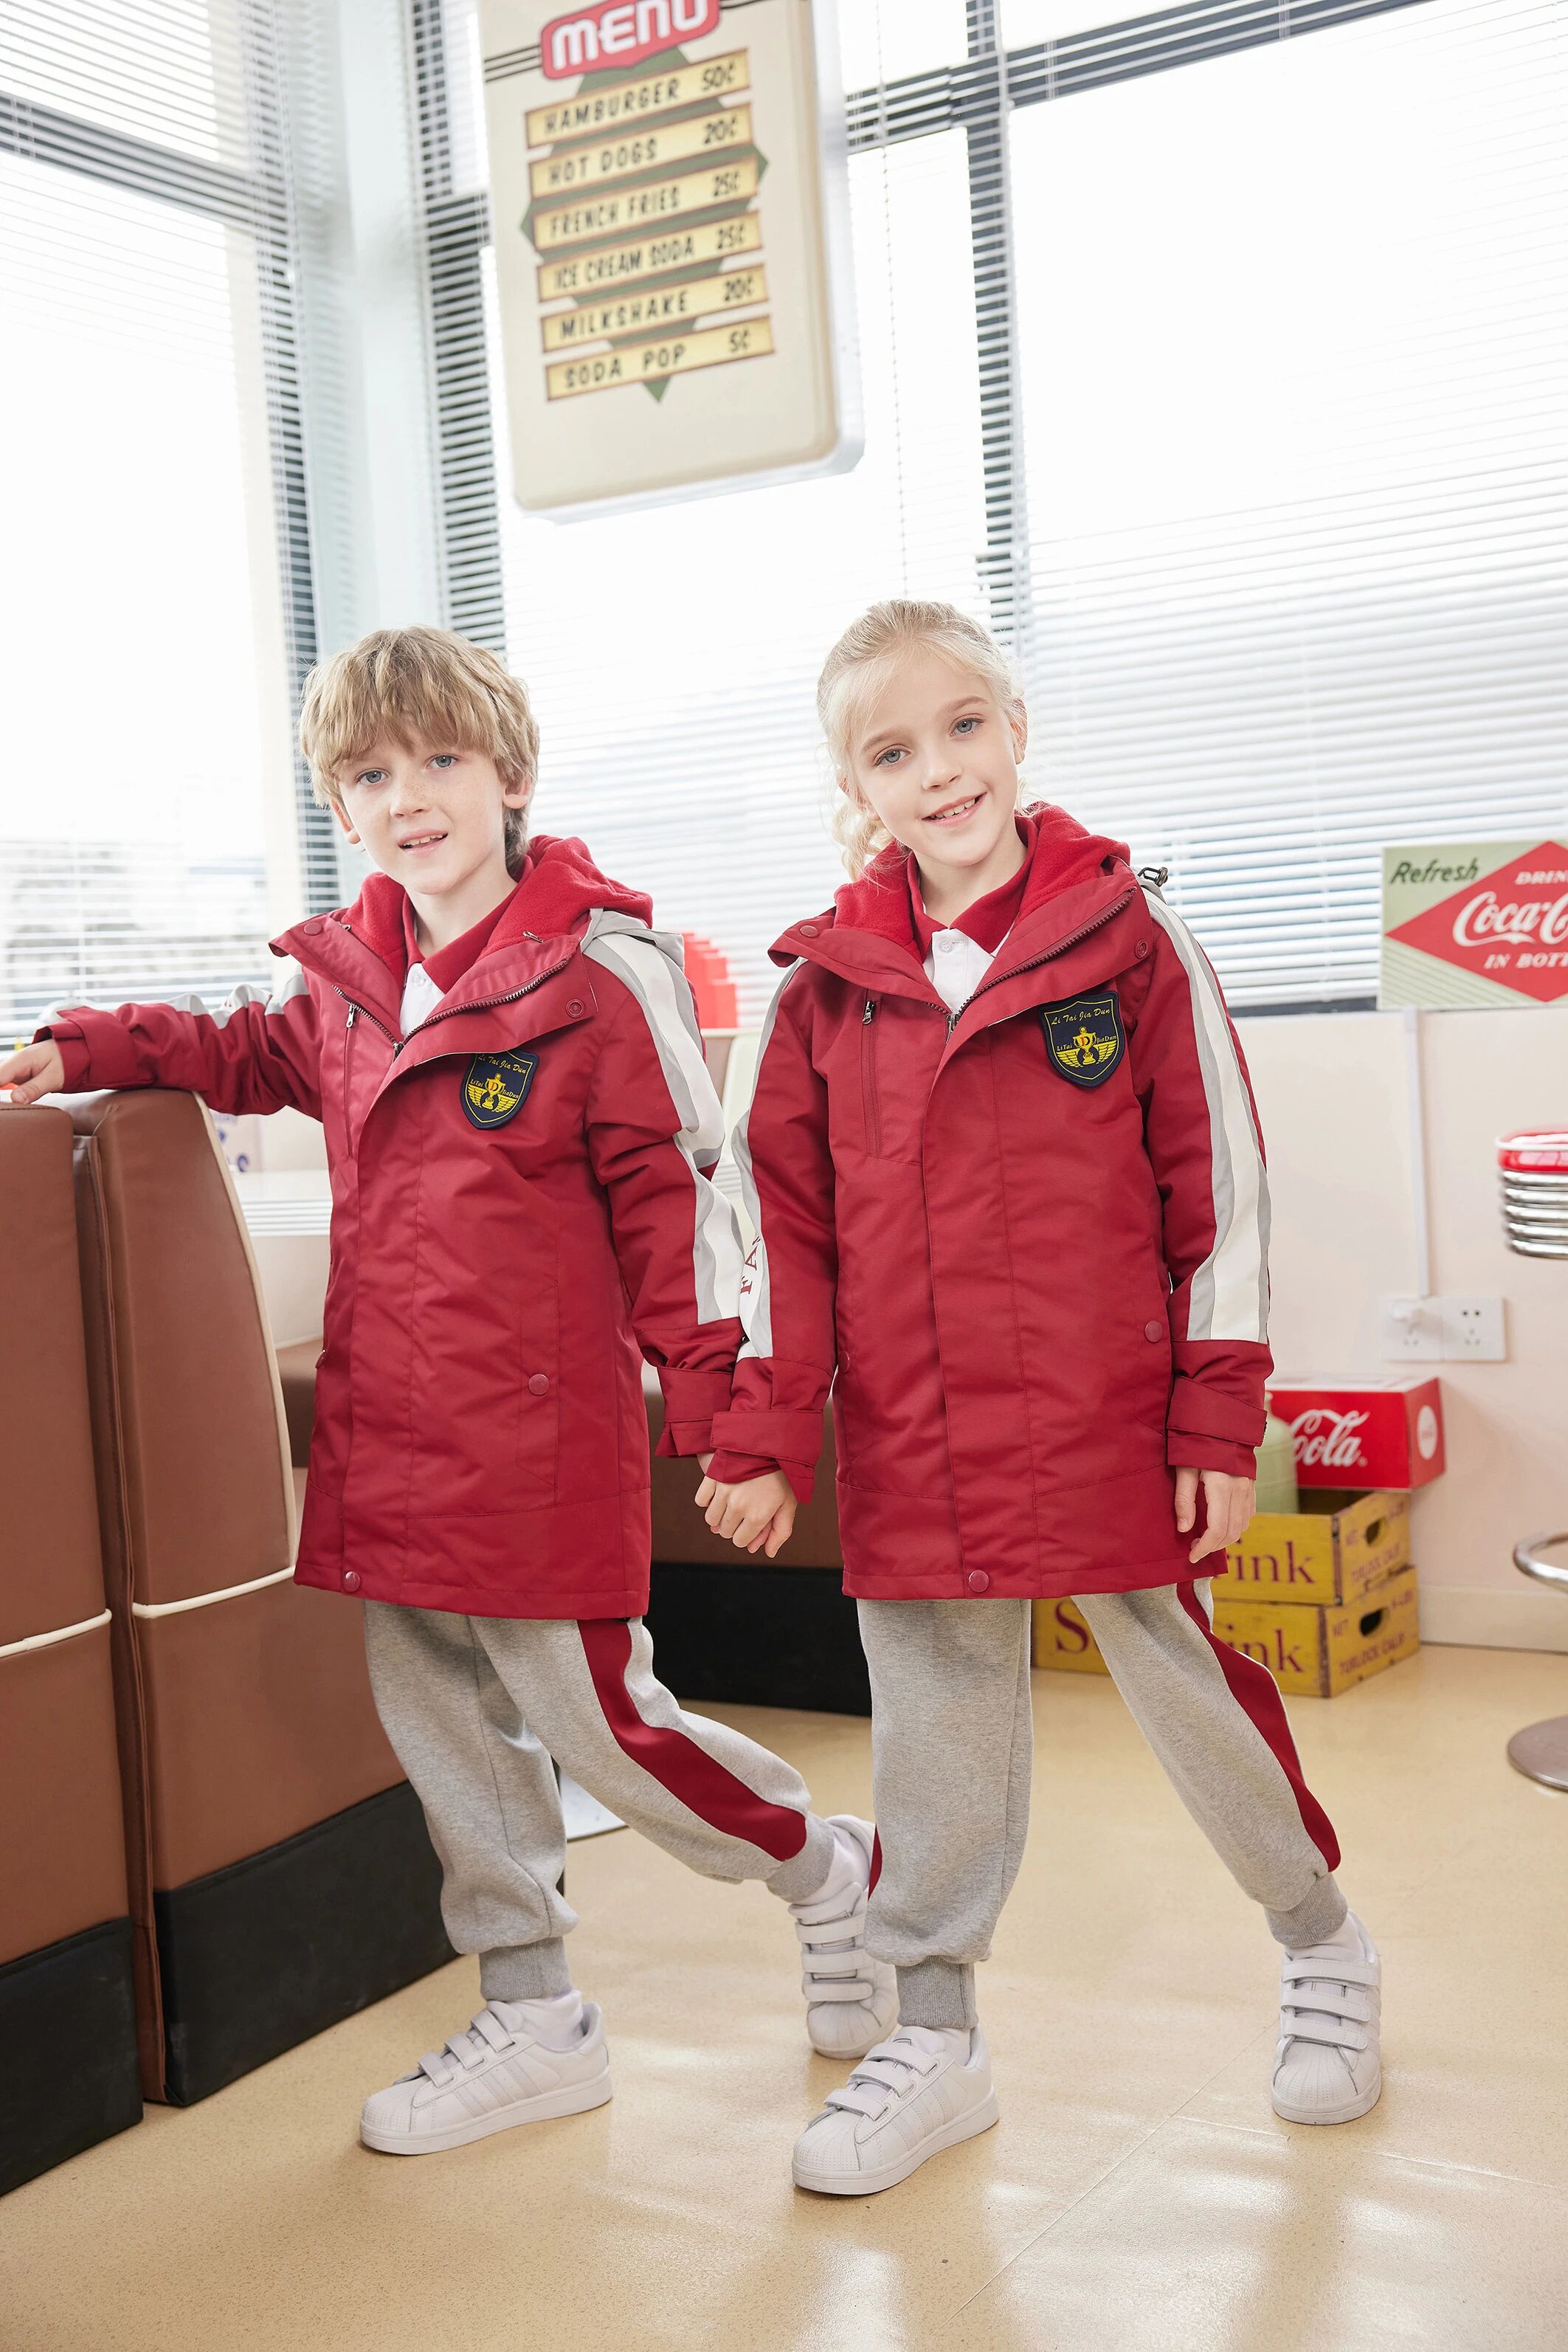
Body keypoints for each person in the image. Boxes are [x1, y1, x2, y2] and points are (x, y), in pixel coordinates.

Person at [0, 625, 896, 2156]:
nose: (407, 797)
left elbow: (685, 1208)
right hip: (391, 1437)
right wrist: (82, 1040)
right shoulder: (347, 979)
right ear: (339, 805)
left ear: (510, 775)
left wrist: (730, 1424)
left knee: (604, 1729)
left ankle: (827, 1871)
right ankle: (535, 2012)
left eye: (438, 759)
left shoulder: (599, 972)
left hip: (540, 1444)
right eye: (369, 774)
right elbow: (241, 1051)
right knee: (446, 1742)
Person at [697, 599, 1382, 2198]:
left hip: (1108, 1420)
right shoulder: (817, 994)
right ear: (854, 786)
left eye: (962, 727)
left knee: (1185, 1692)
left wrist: (1215, 1420)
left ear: (1014, 729)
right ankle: (934, 2035)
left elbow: (1221, 1199)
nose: (938, 770)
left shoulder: (1130, 941)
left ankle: (1322, 1940)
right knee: (934, 1729)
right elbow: (775, 1236)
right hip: (917, 1434)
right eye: (892, 751)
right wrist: (766, 1432)